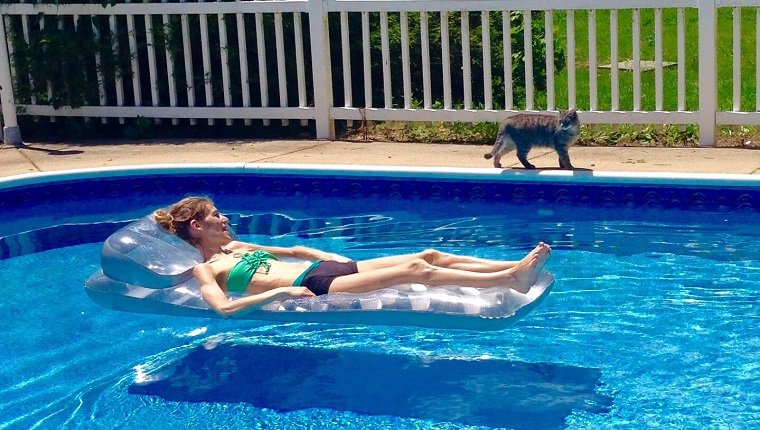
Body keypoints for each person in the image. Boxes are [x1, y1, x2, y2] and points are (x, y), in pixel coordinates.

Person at [154, 196, 551, 318]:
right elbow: (224, 310)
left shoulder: (236, 248)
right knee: (416, 270)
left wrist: (320, 251)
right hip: (312, 284)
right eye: (214, 217)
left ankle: (510, 266)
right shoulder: (207, 269)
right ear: (196, 228)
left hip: (322, 267)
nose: (224, 219)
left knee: (429, 253)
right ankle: (509, 280)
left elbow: (292, 249)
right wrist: (277, 296)